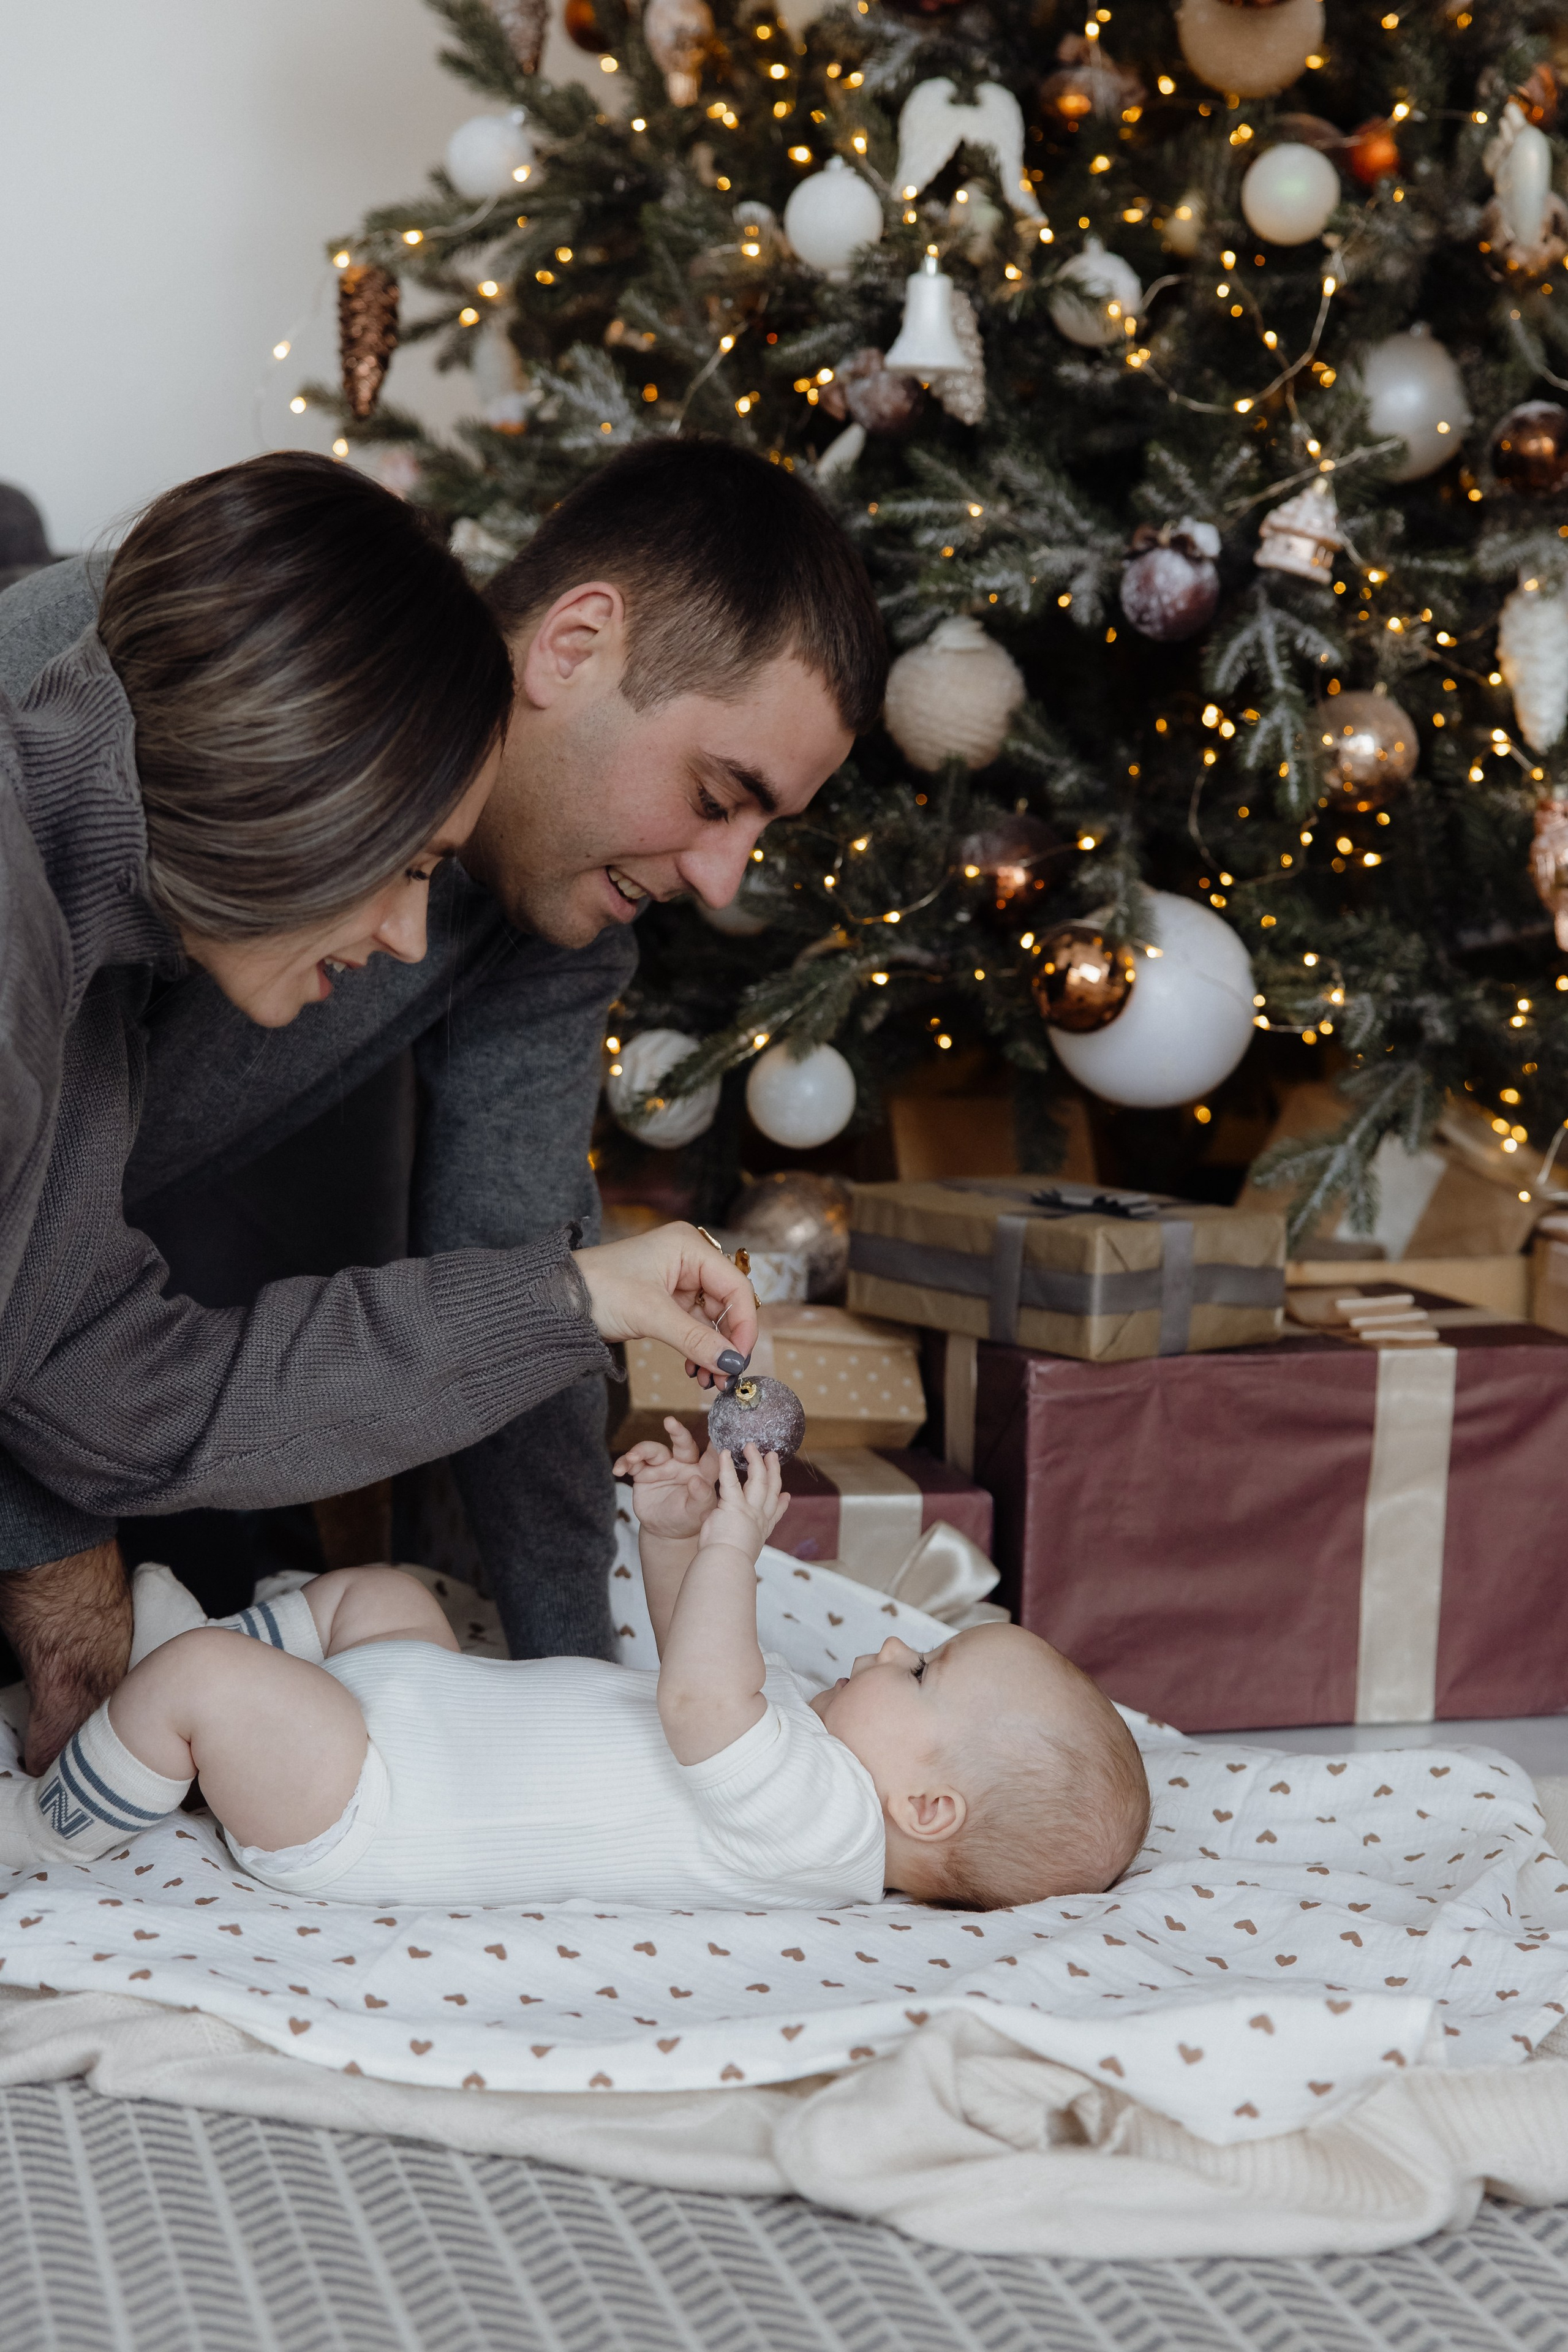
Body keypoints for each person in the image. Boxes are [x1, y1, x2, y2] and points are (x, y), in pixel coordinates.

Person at [0, 437, 885, 1766]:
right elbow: (71, 1373)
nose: (723, 879)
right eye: (716, 796)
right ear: (575, 645)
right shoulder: (148, 703)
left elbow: (514, 1267)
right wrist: (63, 1584)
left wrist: (585, 1698)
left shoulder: (555, 919)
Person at [4, 1422, 1150, 1913]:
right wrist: (669, 1537)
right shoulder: (811, 1752)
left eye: (926, 1672)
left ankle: (55, 1826)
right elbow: (690, 1674)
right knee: (388, 1595)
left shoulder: (821, 1827)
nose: (894, 1645)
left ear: (929, 1808)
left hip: (369, 1801)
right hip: (415, 1714)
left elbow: (705, 1696)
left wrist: (739, 1547)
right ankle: (160, 1725)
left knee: (210, 1672)